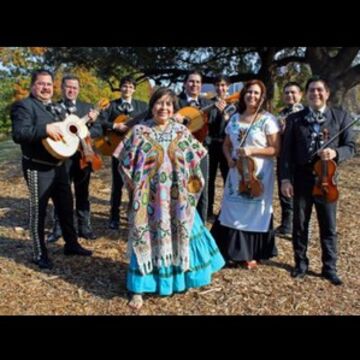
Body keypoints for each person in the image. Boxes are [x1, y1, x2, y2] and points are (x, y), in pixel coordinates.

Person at [113, 87, 225, 310]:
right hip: (148, 201)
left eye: (168, 104)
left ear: (173, 108)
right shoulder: (138, 132)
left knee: (180, 233)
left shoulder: (181, 132)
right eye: (159, 103)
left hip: (177, 199)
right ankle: (139, 289)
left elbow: (198, 157)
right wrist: (136, 188)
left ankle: (176, 281)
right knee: (144, 235)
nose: (163, 108)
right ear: (152, 105)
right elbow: (123, 161)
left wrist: (191, 188)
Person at [11, 69, 93, 269]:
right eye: (41, 84)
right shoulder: (24, 106)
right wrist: (44, 130)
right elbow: (19, 134)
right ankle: (39, 253)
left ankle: (71, 245)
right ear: (33, 85)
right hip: (37, 167)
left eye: (49, 84)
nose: (46, 87)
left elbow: (68, 131)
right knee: (38, 211)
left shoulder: (57, 108)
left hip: (60, 167)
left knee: (66, 207)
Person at [280, 75, 356, 286]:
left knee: (329, 226)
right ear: (306, 94)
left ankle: (329, 268)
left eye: (319, 90)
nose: (316, 94)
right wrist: (285, 180)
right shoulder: (295, 119)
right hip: (302, 178)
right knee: (300, 224)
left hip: (327, 179)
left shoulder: (341, 117)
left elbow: (351, 147)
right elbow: (286, 154)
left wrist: (336, 153)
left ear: (327, 94)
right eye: (312, 90)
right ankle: (300, 264)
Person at [211, 79, 281, 269]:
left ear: (262, 97)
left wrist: (251, 151)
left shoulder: (268, 119)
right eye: (249, 92)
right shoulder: (234, 118)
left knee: (253, 210)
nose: (252, 96)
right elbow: (226, 145)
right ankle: (228, 251)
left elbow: (275, 149)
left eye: (256, 93)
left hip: (258, 174)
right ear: (243, 95)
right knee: (233, 208)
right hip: (236, 173)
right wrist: (228, 159)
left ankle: (251, 253)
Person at [47, 74, 103, 243]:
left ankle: (84, 228)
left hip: (82, 157)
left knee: (82, 193)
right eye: (68, 87)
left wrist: (85, 133)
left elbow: (99, 130)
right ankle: (58, 228)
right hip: (61, 157)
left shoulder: (88, 108)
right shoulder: (53, 108)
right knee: (60, 194)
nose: (71, 90)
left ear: (78, 90)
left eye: (74, 87)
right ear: (62, 88)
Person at [175, 70, 226, 222]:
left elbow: (216, 128)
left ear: (201, 85)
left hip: (201, 152)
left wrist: (222, 114)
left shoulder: (208, 104)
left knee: (201, 188)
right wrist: (173, 118)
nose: (194, 85)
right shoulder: (175, 102)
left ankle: (201, 224)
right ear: (185, 84)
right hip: (179, 152)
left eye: (198, 82)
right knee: (180, 187)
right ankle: (179, 222)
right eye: (191, 81)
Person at [98, 75, 148, 230]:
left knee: (137, 184)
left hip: (136, 150)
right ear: (120, 88)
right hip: (118, 149)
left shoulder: (141, 107)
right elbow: (100, 121)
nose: (127, 89)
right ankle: (114, 217)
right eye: (125, 86)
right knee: (117, 184)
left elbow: (147, 124)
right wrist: (114, 126)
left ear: (134, 89)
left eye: (131, 87)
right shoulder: (112, 106)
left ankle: (134, 214)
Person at [274, 82, 304, 237]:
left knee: (298, 193)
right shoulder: (281, 113)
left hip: (298, 159)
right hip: (283, 157)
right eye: (286, 93)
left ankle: (297, 226)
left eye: (293, 92)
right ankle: (287, 224)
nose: (289, 95)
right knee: (284, 191)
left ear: (300, 94)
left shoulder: (303, 113)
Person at [207, 75, 232, 218]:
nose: (220, 88)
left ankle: (226, 210)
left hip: (227, 146)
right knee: (209, 178)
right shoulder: (209, 103)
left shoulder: (234, 103)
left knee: (227, 178)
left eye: (223, 85)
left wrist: (225, 114)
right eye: (217, 85)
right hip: (211, 145)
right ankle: (208, 209)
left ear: (228, 86)